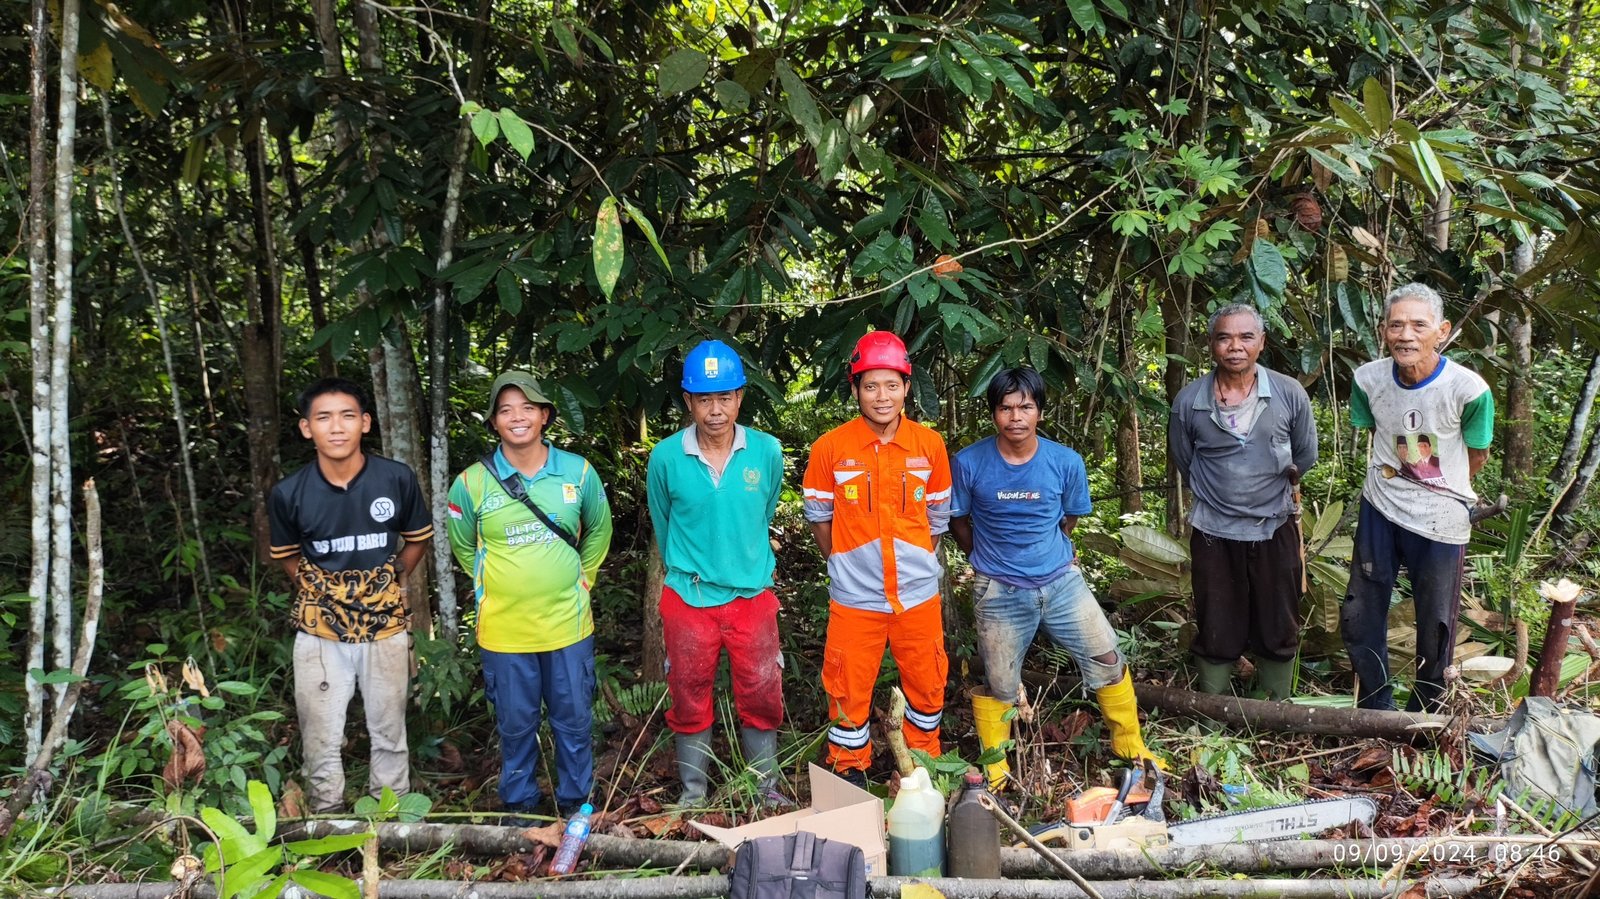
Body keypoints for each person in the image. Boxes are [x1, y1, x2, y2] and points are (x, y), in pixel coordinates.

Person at [951, 367, 1161, 787]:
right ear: (994, 414)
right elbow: (957, 518)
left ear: (1040, 413)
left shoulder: (1065, 461)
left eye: (1025, 407)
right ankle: (996, 767)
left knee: (1107, 656)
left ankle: (1130, 748)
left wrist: (1052, 555)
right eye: (1006, 408)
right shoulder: (969, 462)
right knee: (1000, 683)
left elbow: (1069, 519)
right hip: (998, 588)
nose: (1016, 417)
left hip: (1061, 582)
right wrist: (981, 557)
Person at [446, 372, 614, 818]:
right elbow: (463, 543)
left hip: (568, 624)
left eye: (526, 408)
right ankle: (519, 807)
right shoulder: (471, 483)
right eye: (505, 410)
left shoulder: (578, 472)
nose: (517, 417)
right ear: (494, 422)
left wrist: (585, 577)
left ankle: (578, 803)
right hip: (504, 630)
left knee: (574, 722)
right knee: (516, 726)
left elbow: (599, 528)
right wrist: (487, 586)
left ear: (544, 416)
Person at [268, 378, 433, 813]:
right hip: (319, 630)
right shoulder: (289, 492)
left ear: (365, 422)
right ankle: (326, 816)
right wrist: (322, 591)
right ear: (307, 429)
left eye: (346, 416)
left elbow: (416, 540)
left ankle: (390, 815)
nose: (336, 427)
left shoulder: (395, 478)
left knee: (389, 728)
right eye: (323, 418)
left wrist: (393, 579)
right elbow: (287, 557)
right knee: (320, 730)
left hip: (385, 625)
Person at [802, 331, 952, 786]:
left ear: (907, 387)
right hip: (854, 598)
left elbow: (937, 520)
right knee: (847, 689)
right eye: (870, 386)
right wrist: (844, 566)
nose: (881, 396)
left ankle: (922, 771)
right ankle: (851, 775)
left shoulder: (929, 446)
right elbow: (820, 519)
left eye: (891, 385)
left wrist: (915, 565)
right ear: (854, 390)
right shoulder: (830, 448)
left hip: (917, 597)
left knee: (927, 684)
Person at [646, 340, 788, 806]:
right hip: (688, 596)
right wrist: (694, 567)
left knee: (763, 689)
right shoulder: (666, 457)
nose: (715, 410)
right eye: (704, 399)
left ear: (740, 397)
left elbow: (762, 512)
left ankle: (764, 789)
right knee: (687, 691)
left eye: (724, 397)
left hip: (752, 596)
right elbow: (664, 524)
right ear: (688, 401)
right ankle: (693, 794)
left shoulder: (766, 451)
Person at [1343, 283, 1493, 712]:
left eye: (1418, 325)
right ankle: (1375, 708)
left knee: (1437, 623)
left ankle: (1424, 715)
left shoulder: (1469, 389)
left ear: (1441, 331)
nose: (1406, 335)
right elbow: (1379, 431)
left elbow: (1476, 453)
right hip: (1381, 507)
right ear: (1383, 330)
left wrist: (1438, 490)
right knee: (1361, 612)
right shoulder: (1367, 379)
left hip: (1441, 516)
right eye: (1396, 325)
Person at [1168, 304, 1318, 700]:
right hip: (1213, 528)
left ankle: (1272, 704)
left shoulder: (1288, 393)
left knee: (1278, 615)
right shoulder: (1189, 401)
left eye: (1246, 337)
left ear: (1262, 343)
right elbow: (1185, 458)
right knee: (1217, 616)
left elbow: (1305, 454)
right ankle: (1216, 705)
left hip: (1276, 522)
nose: (1235, 346)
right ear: (1211, 344)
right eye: (1224, 337)